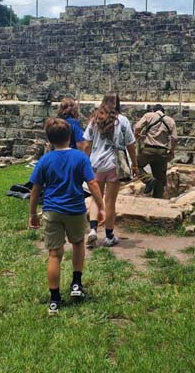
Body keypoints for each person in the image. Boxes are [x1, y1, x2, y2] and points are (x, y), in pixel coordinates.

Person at [28, 117, 105, 315]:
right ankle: (76, 284)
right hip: (75, 209)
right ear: (70, 136)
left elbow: (35, 190)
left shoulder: (45, 160)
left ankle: (54, 300)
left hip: (52, 210)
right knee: (78, 243)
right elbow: (93, 183)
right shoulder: (80, 158)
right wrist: (101, 206)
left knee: (54, 254)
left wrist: (32, 214)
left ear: (49, 139)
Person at [83, 92, 137, 248]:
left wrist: (84, 162)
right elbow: (131, 145)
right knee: (110, 201)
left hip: (96, 164)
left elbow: (86, 145)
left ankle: (93, 229)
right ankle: (109, 236)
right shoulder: (123, 121)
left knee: (95, 198)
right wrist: (134, 164)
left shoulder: (94, 120)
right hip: (114, 165)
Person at [134, 104, 177, 198]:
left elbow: (137, 127)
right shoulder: (170, 120)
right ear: (163, 111)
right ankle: (157, 199)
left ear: (154, 110)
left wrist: (137, 135)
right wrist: (171, 151)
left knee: (135, 165)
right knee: (160, 179)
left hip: (148, 149)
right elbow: (174, 138)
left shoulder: (149, 115)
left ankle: (148, 179)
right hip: (162, 152)